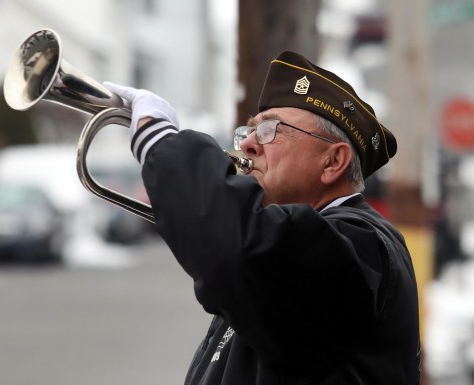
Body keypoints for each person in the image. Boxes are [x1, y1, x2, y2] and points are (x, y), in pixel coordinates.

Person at [104, 51, 421, 385]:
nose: (250, 144)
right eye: (250, 131)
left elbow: (238, 249)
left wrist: (159, 140)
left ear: (333, 162)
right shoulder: (304, 242)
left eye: (271, 129)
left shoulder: (362, 243)